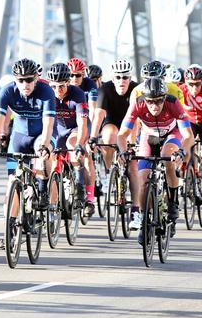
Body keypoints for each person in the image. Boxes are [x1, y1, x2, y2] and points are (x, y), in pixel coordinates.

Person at [0, 58, 56, 249]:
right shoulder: (7, 91)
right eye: (21, 80)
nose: (25, 84)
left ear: (36, 78)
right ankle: (10, 229)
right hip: (19, 136)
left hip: (41, 134)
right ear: (15, 79)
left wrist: (45, 146)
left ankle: (42, 187)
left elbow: (49, 124)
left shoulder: (46, 91)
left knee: (41, 156)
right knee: (11, 185)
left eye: (29, 80)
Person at [118, 77, 194, 244]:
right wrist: (123, 152)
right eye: (150, 101)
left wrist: (181, 152)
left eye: (159, 101)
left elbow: (189, 136)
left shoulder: (173, 103)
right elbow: (121, 135)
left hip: (172, 134)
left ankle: (173, 202)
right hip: (148, 136)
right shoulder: (137, 104)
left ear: (164, 98)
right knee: (143, 179)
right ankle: (145, 219)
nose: (154, 106)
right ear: (145, 99)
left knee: (169, 157)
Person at [87, 59, 141, 228]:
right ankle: (110, 171)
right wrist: (93, 137)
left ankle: (136, 211)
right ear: (112, 77)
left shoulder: (136, 89)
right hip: (111, 121)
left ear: (130, 77)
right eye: (118, 77)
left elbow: (138, 119)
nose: (121, 81)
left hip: (131, 124)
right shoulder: (105, 89)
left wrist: (132, 144)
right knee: (109, 134)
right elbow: (98, 116)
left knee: (133, 166)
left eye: (125, 78)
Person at [48, 63, 90, 212]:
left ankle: (80, 187)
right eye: (53, 87)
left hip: (76, 128)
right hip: (59, 130)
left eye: (61, 86)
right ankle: (52, 207)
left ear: (67, 83)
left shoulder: (77, 93)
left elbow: (82, 121)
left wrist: (79, 143)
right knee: (53, 164)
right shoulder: (48, 94)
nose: (57, 91)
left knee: (72, 147)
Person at [67, 57, 98, 212]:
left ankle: (90, 198)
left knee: (86, 157)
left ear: (83, 74)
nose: (74, 79)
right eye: (71, 75)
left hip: (84, 122)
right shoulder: (63, 86)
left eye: (78, 75)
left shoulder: (90, 85)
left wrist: (91, 135)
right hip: (67, 122)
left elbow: (92, 109)